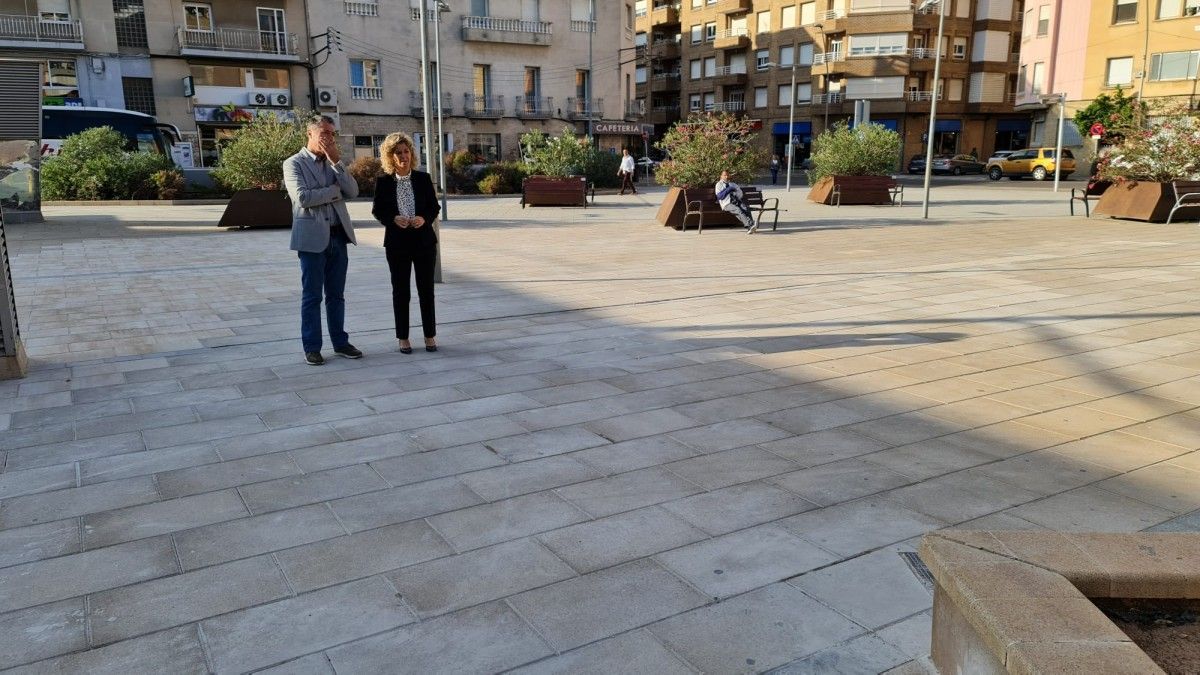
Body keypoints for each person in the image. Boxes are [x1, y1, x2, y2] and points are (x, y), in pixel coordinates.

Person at [284, 115, 361, 366]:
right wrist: (333, 192)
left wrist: (337, 162)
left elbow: (353, 191)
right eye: (324, 133)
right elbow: (303, 198)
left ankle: (340, 342)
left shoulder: (334, 162)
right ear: (310, 134)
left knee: (336, 295)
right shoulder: (293, 164)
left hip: (339, 236)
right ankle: (312, 347)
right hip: (312, 240)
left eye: (332, 133)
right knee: (312, 296)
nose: (329, 138)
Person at [372, 132, 441, 354]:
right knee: (401, 292)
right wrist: (392, 218)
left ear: (411, 153)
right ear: (390, 157)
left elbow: (433, 207)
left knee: (426, 291)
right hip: (397, 243)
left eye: (406, 151)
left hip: (424, 242)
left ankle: (429, 335)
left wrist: (425, 218)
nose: (403, 156)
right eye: (398, 152)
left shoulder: (422, 178)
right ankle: (403, 338)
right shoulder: (383, 182)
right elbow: (378, 210)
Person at [715, 170, 757, 234]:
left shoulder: (733, 184)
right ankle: (750, 226)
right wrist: (728, 189)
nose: (726, 177)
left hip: (736, 201)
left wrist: (736, 193)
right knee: (738, 210)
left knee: (745, 208)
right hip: (727, 203)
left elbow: (740, 194)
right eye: (724, 175)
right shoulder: (719, 184)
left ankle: (751, 226)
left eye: (727, 175)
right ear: (721, 176)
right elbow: (720, 196)